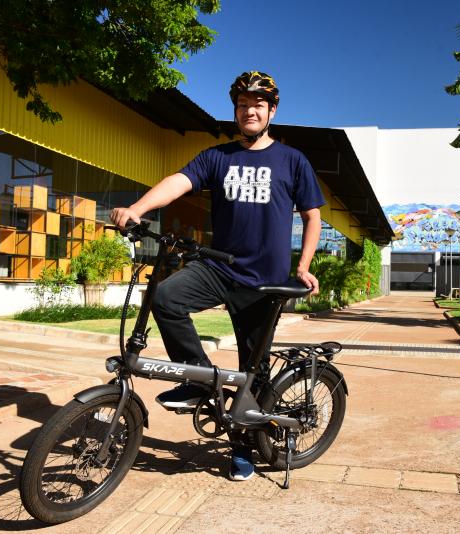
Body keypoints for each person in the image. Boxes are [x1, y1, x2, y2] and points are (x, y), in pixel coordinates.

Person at [110, 71, 324, 481]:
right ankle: (200, 382)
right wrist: (138, 208)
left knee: (253, 374)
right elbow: (178, 181)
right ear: (236, 111)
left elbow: (313, 217)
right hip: (218, 267)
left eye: (258, 105)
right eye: (243, 105)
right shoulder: (218, 157)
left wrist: (303, 265)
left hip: (265, 282)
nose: (250, 110)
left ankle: (243, 449)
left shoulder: (292, 160)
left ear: (271, 110)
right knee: (166, 297)